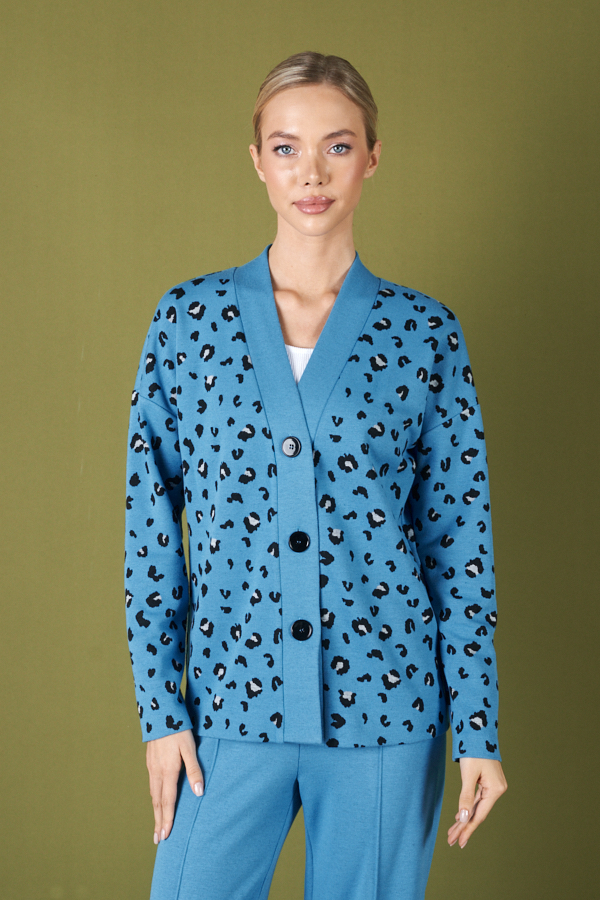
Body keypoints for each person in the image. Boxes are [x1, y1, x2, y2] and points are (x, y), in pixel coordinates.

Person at [125, 51, 507, 900]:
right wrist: (161, 711)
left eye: (337, 146)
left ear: (372, 157)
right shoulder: (188, 322)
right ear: (257, 160)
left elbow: (459, 541)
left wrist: (478, 727)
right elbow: (150, 524)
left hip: (387, 715)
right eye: (287, 148)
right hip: (227, 705)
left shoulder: (424, 333)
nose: (312, 173)